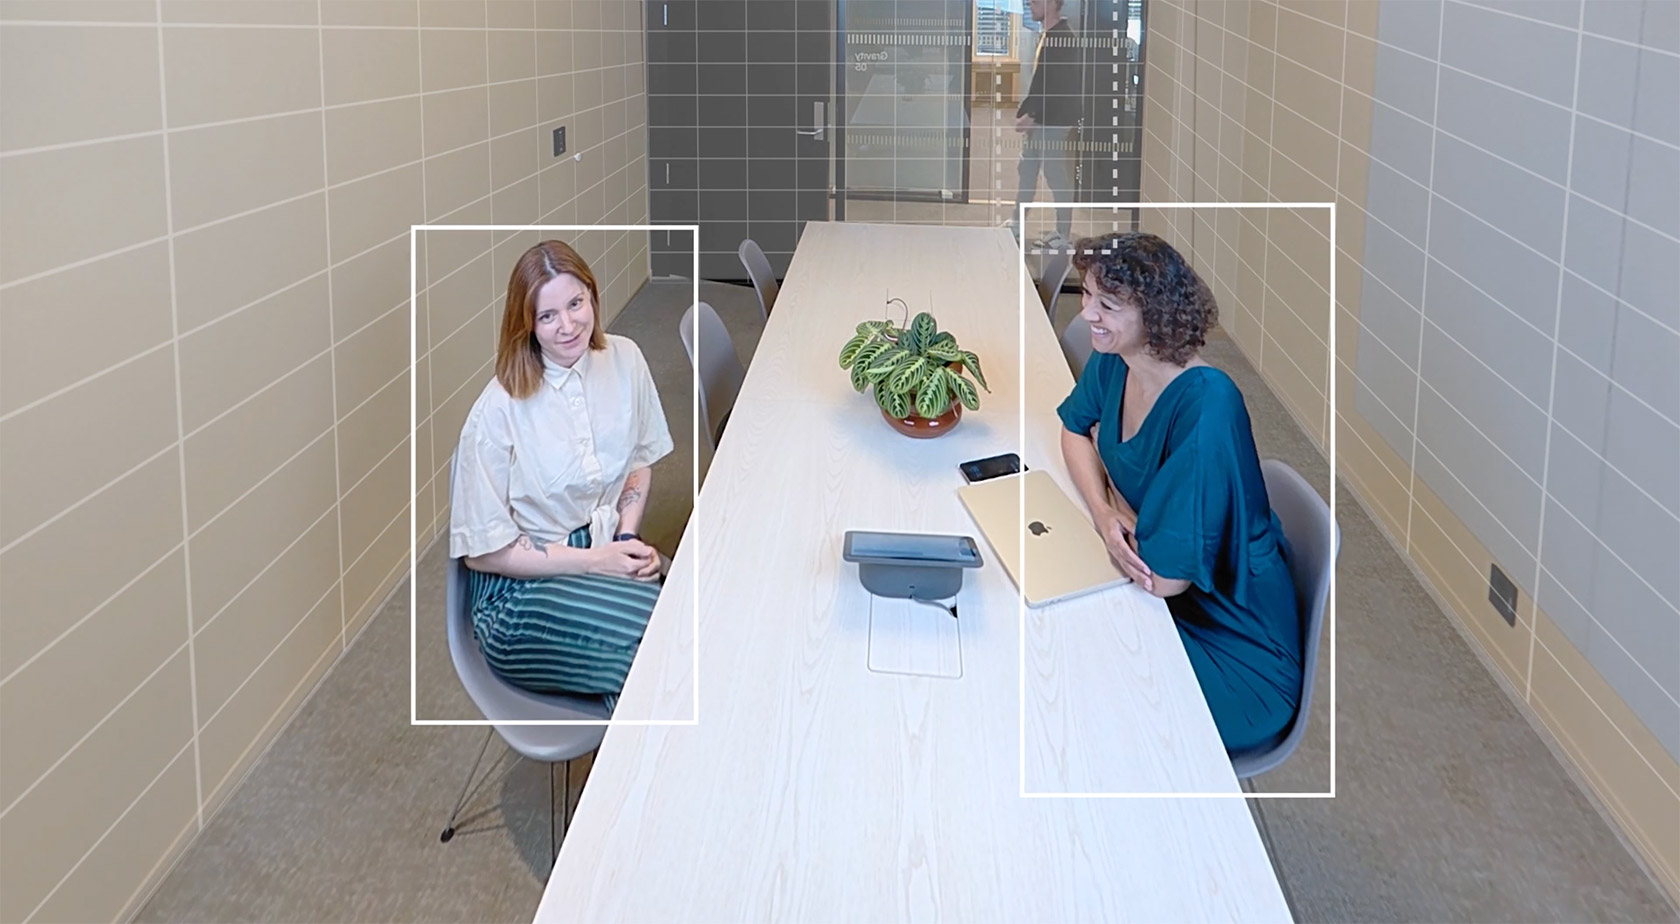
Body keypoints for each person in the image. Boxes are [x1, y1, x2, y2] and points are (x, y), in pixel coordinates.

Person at [1055, 232, 1302, 754]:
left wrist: (1122, 499)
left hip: (1236, 648)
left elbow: (1162, 579)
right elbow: (1074, 430)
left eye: (1108, 304)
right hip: (1167, 596)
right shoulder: (1116, 356)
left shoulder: (1206, 407)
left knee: (1078, 694)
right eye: (1087, 295)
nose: (1086, 315)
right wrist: (1105, 510)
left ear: (1156, 315)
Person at [449, 240, 673, 710]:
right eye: (548, 315)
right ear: (526, 323)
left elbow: (638, 461)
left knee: (695, 613)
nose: (568, 325)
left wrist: (625, 541)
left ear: (592, 296)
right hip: (519, 596)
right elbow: (485, 555)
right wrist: (597, 562)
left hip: (603, 547)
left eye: (576, 303)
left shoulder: (625, 358)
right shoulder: (498, 410)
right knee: (663, 646)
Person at [1013, 0, 1082, 248]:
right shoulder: (1046, 36)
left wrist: (1032, 114)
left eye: (1034, 0)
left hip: (1053, 120)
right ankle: (1016, 225)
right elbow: (1040, 81)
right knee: (1027, 171)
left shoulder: (1064, 38)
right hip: (1040, 118)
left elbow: (1058, 86)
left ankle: (1063, 234)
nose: (1029, 3)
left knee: (1056, 176)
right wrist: (1028, 111)